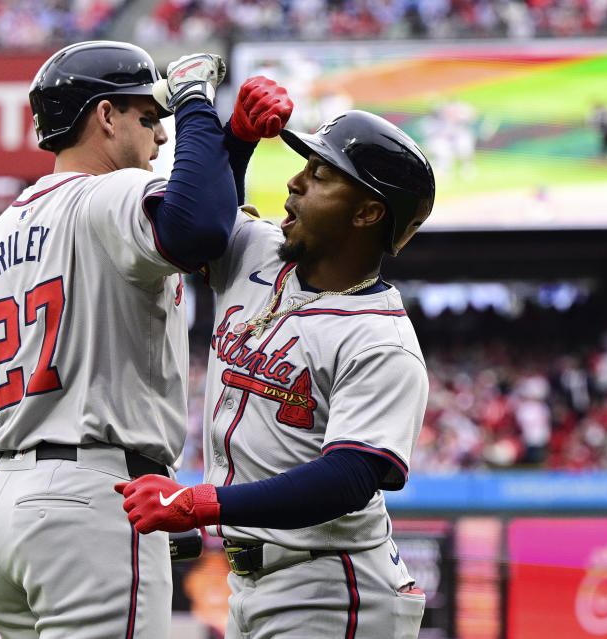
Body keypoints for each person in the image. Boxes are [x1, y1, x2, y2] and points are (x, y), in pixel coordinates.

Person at [0, 41, 289, 638]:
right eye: (150, 118)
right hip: (96, 502)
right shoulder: (110, 192)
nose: (159, 140)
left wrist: (22, 477)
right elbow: (198, 228)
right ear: (106, 116)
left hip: (3, 515)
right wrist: (196, 102)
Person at [118, 103, 436, 638]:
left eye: (321, 175)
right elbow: (203, 220)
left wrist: (203, 504)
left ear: (367, 213)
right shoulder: (262, 251)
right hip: (250, 585)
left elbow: (348, 478)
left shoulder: (382, 340)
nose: (294, 181)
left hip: (333, 589)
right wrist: (238, 138)